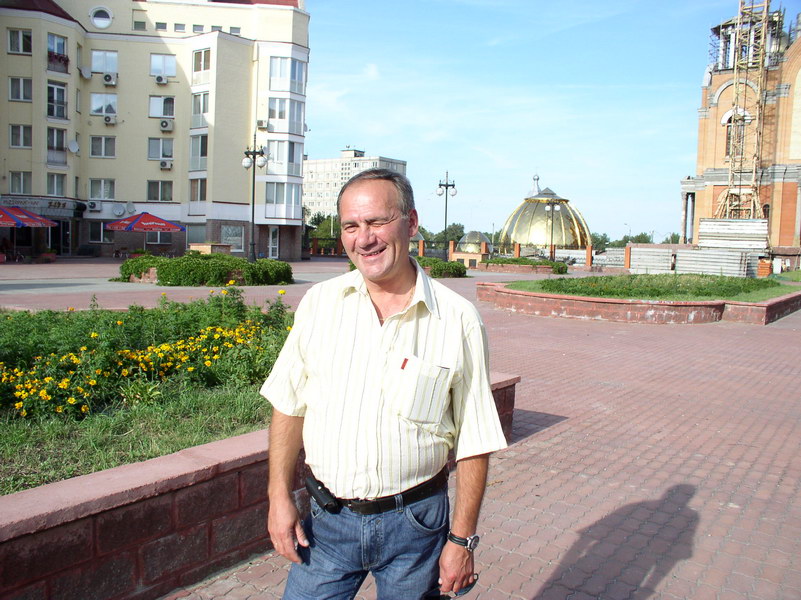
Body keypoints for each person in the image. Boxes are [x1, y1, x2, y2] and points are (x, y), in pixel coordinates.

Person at [261, 168, 507, 599]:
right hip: (327, 527)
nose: (364, 239)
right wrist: (278, 496)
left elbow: (475, 438)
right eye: (351, 226)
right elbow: (289, 403)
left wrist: (461, 541)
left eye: (377, 221)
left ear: (410, 223)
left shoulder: (456, 319)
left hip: (416, 529)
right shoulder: (320, 304)